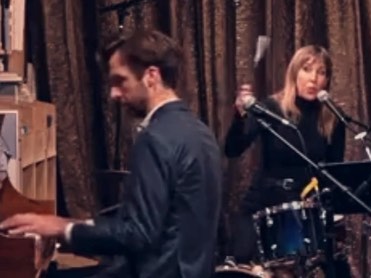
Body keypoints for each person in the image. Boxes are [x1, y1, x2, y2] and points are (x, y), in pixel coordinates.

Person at [0, 30, 223, 278]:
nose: (113, 94)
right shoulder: (199, 132)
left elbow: (138, 234)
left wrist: (62, 228)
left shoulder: (155, 138)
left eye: (120, 81)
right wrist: (75, 225)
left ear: (151, 76)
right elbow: (160, 222)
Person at [224, 45, 346, 272]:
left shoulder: (332, 118)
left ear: (327, 80)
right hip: (264, 203)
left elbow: (333, 171)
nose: (314, 79)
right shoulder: (271, 108)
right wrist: (239, 118)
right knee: (243, 261)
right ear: (294, 73)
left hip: (307, 208)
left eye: (321, 73)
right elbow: (233, 149)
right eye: (307, 70)